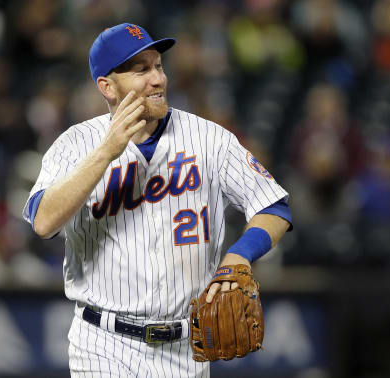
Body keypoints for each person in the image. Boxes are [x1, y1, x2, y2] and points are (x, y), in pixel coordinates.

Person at [23, 23, 292, 377]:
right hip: (103, 343)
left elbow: (274, 206)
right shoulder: (75, 145)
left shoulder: (209, 138)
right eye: (140, 70)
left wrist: (240, 255)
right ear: (107, 85)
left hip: (185, 348)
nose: (157, 79)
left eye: (158, 66)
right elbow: (43, 221)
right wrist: (107, 152)